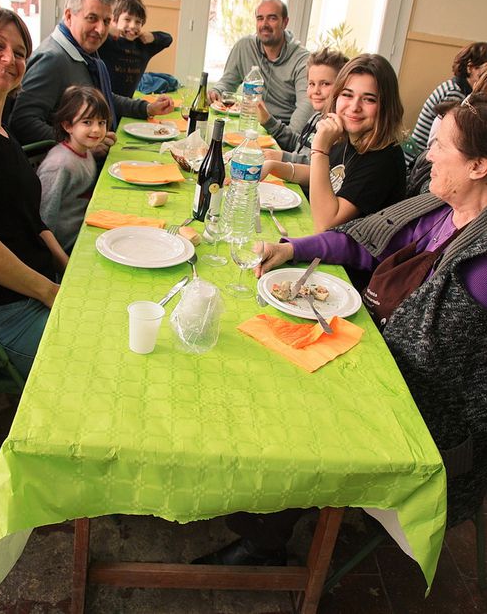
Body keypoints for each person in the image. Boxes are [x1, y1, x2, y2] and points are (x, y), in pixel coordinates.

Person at [196, 93, 487, 566]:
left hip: (427, 416)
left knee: (297, 406)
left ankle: (266, 536)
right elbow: (362, 245)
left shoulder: (481, 263)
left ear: (478, 166)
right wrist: (292, 249)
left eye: (440, 147)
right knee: (261, 341)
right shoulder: (438, 211)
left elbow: (439, 370)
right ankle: (246, 491)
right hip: (380, 361)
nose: (426, 155)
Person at [0, 6, 68, 379]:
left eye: (19, 52)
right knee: (100, 364)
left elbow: (32, 219)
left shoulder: (1, 131)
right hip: (3, 309)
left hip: (37, 287)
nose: (8, 59)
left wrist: (69, 268)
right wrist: (49, 291)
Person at [8, 0, 174, 148]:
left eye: (106, 21)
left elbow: (103, 97)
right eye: (92, 18)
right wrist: (78, 144)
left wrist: (147, 108)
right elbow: (23, 122)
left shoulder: (84, 52)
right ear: (68, 16)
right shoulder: (53, 59)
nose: (101, 29)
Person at [263, 54, 406, 232]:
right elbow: (327, 176)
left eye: (369, 99)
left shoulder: (383, 159)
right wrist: (273, 167)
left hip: (347, 257)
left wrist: (319, 150)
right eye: (347, 95)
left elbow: (326, 223)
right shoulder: (349, 136)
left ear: (386, 106)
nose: (355, 107)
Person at [209, 0, 312, 133]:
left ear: (285, 22)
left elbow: (306, 105)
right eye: (260, 18)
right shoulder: (244, 46)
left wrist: (288, 140)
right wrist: (217, 91)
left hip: (282, 129)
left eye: (272, 18)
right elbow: (228, 82)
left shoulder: (302, 59)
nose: (264, 24)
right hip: (250, 122)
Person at [37, 86, 110, 252]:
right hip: (68, 245)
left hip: (84, 230)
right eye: (87, 122)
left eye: (102, 122)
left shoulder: (86, 152)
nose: (97, 129)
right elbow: (44, 218)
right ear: (68, 126)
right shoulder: (59, 165)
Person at [257, 47, 348, 173]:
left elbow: (319, 167)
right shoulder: (316, 117)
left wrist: (283, 157)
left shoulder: (337, 130)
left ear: (342, 86)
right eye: (311, 84)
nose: (316, 91)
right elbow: (298, 145)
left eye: (325, 84)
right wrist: (268, 121)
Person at [408, 41, 487, 165]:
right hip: (420, 159)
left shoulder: (456, 87)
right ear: (471, 68)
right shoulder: (454, 93)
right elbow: (451, 141)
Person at [98, 0, 173, 97]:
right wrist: (107, 29)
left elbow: (168, 39)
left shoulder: (143, 46)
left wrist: (153, 36)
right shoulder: (107, 42)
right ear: (114, 20)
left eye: (138, 22)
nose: (133, 26)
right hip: (103, 102)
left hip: (127, 105)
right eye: (127, 19)